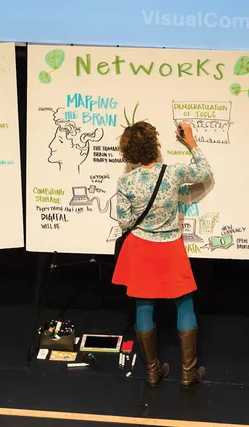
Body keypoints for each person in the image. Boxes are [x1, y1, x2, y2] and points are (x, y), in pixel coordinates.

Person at [112, 121, 211, 388]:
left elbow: (124, 222)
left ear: (128, 152)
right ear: (155, 145)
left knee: (143, 306)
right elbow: (205, 172)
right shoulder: (173, 172)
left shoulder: (125, 182)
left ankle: (154, 372)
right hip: (171, 247)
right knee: (184, 304)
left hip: (141, 248)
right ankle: (189, 373)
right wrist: (190, 141)